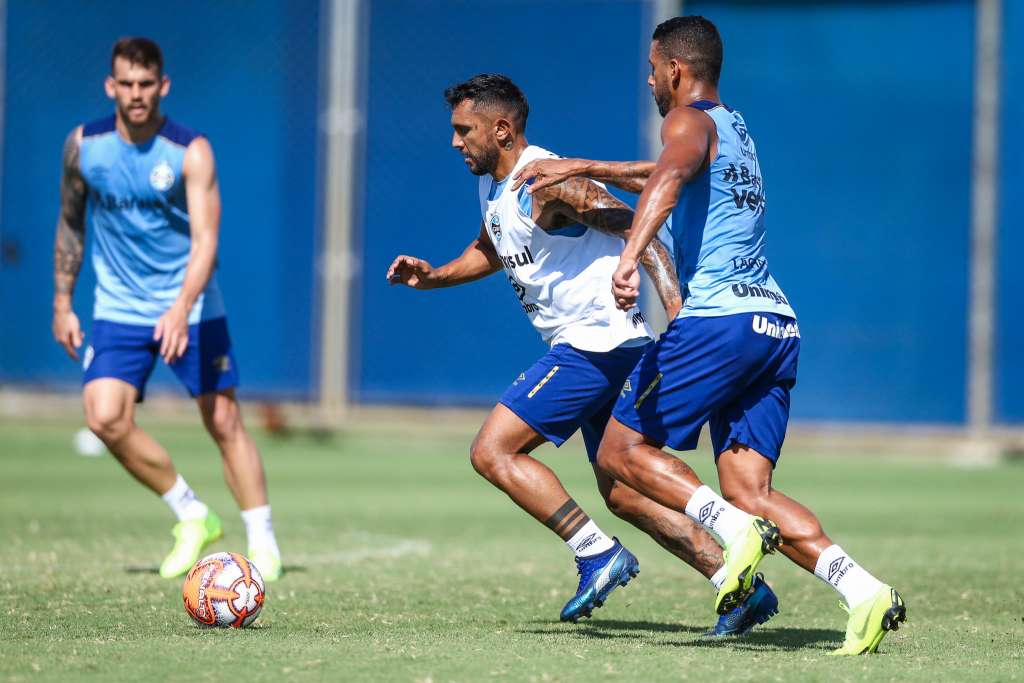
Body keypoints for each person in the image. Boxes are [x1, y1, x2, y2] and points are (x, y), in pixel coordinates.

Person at [515, 16, 906, 655]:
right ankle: (864, 591)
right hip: (774, 326)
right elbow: (670, 169)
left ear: (674, 69)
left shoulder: (684, 120)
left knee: (618, 456)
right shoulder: (733, 127)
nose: (647, 79)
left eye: (650, 68)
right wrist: (588, 165)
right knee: (752, 491)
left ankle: (732, 533)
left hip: (718, 320)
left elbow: (668, 179)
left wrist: (626, 257)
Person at [388, 74, 777, 633]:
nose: (455, 142)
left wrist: (678, 314)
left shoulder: (550, 182)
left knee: (493, 451)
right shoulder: (496, 186)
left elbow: (638, 230)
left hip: (597, 347)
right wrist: (434, 275)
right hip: (597, 348)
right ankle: (735, 585)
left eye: (463, 130)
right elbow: (491, 245)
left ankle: (596, 553)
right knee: (623, 492)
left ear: (501, 129)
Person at [51, 37, 282, 581]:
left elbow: (206, 242)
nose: (135, 94)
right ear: (111, 86)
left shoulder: (190, 150)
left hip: (192, 306)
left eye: (145, 84)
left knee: (223, 420)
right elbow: (70, 222)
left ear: (163, 86)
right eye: (125, 84)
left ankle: (263, 540)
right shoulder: (84, 146)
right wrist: (63, 302)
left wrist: (181, 306)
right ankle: (191, 512)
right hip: (119, 307)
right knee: (104, 416)